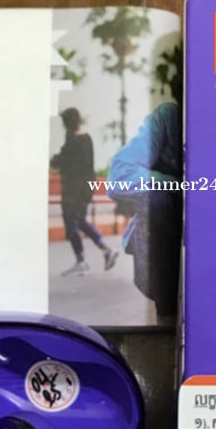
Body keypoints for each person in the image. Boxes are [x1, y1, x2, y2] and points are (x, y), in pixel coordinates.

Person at [108, 99, 181, 318]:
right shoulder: (169, 118)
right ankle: (166, 314)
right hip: (167, 245)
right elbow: (119, 176)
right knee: (156, 199)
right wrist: (177, 185)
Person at [51, 107, 117, 275]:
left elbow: (61, 161)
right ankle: (105, 250)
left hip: (72, 191)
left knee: (71, 223)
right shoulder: (86, 139)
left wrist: (53, 162)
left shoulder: (72, 141)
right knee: (80, 221)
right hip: (85, 189)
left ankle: (82, 261)